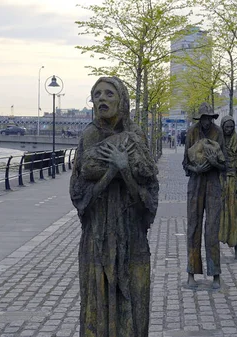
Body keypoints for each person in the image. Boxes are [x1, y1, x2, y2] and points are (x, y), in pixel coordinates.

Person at [69, 77, 159, 337]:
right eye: (96, 94)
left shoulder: (136, 134)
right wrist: (112, 171)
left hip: (130, 233)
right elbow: (79, 194)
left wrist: (126, 172)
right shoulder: (89, 135)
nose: (102, 99)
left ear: (122, 100)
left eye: (109, 93)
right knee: (95, 300)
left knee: (134, 299)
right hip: (97, 235)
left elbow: (148, 195)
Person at [183, 102, 226, 289]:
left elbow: (225, 165)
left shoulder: (219, 133)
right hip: (196, 183)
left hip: (213, 184)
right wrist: (196, 168)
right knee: (193, 227)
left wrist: (213, 163)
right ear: (199, 119)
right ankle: (191, 273)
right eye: (204, 118)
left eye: (209, 118)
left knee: (212, 229)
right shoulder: (192, 132)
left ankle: (215, 273)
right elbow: (185, 163)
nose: (207, 121)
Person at [218, 115, 237, 260]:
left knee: (235, 214)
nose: (229, 129)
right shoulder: (218, 140)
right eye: (226, 127)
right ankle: (215, 247)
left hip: (233, 181)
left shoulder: (236, 140)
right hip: (220, 180)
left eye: (231, 127)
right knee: (219, 214)